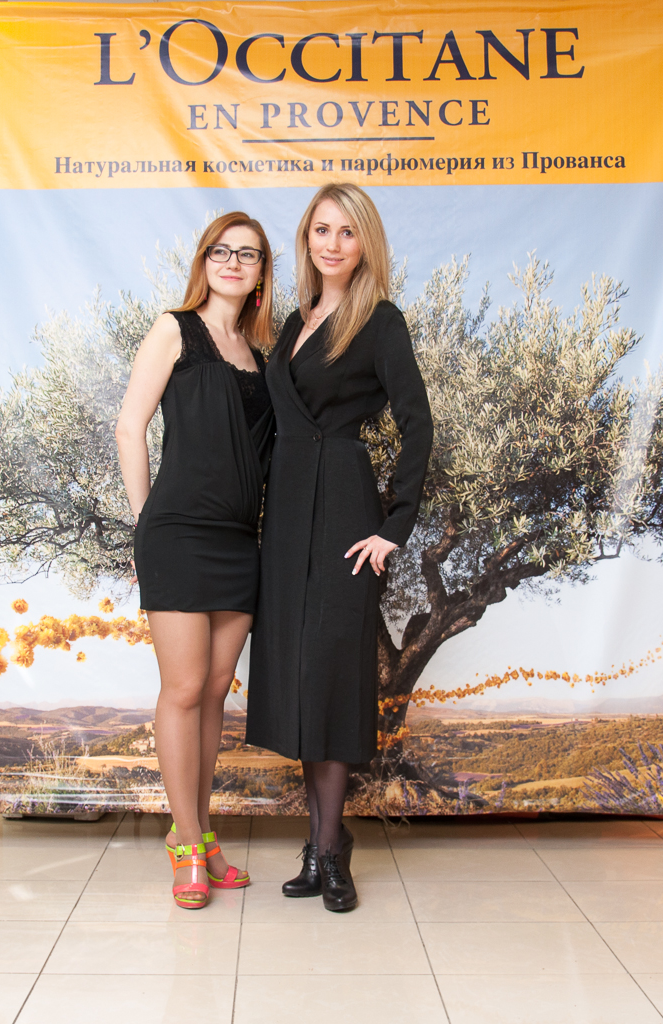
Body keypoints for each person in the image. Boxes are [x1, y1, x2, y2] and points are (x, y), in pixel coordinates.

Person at [247, 183, 433, 912]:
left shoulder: (380, 320)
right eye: (321, 230)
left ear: (365, 244)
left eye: (347, 232)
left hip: (344, 511)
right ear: (306, 239)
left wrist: (394, 525)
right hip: (287, 515)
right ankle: (320, 841)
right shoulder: (294, 320)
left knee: (329, 676)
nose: (333, 244)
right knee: (300, 678)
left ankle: (330, 849)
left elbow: (418, 424)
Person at [115, 212, 274, 910]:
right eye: (221, 250)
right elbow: (130, 426)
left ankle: (203, 836)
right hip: (177, 533)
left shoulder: (260, 355)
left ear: (262, 272)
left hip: (240, 541)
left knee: (213, 691)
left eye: (249, 254)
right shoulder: (174, 329)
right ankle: (185, 845)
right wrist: (144, 522)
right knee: (182, 689)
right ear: (204, 260)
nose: (233, 261)